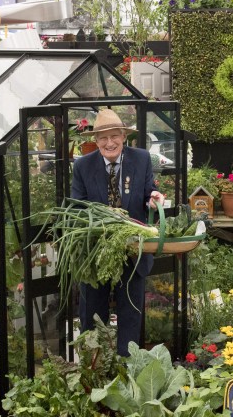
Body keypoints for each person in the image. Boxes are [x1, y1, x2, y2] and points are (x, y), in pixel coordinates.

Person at [71, 109, 165, 355]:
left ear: (124, 136)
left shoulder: (141, 159)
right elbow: (78, 209)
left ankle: (127, 367)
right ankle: (94, 366)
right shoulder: (82, 166)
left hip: (133, 250)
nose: (109, 143)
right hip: (96, 254)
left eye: (114, 136)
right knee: (92, 313)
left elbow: (148, 192)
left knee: (130, 313)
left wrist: (154, 198)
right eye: (103, 138)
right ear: (96, 141)